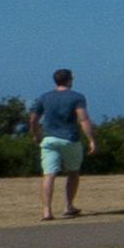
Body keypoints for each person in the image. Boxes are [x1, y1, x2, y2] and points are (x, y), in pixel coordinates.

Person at [28, 72, 95, 221]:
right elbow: (83, 119)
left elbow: (33, 119)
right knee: (73, 172)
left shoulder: (45, 97)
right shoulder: (77, 97)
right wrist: (91, 139)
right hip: (69, 139)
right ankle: (68, 206)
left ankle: (47, 211)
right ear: (69, 80)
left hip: (49, 139)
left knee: (49, 174)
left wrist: (36, 134)